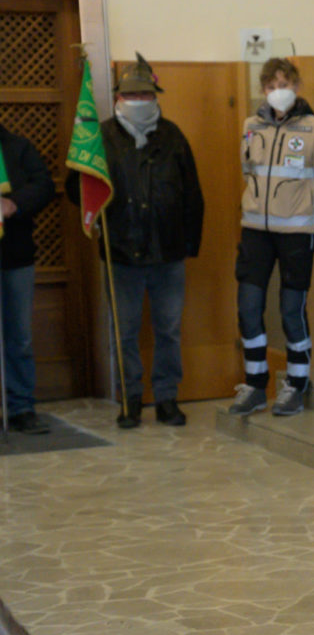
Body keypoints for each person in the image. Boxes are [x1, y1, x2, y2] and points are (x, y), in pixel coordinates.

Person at [66, 54, 203, 428]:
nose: (138, 100)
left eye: (145, 94)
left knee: (168, 331)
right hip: (121, 252)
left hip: (168, 253)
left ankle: (167, 399)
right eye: (131, 95)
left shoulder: (173, 136)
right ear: (118, 98)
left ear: (155, 96)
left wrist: (190, 244)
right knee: (124, 332)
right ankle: (130, 399)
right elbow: (78, 190)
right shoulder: (100, 137)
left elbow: (192, 194)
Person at [229, 58, 314, 417]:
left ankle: (296, 383)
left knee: (291, 310)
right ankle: (255, 384)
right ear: (263, 89)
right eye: (271, 85)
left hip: (296, 232)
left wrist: (306, 212)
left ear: (295, 86)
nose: (278, 91)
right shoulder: (251, 126)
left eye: (284, 84)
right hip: (255, 231)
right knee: (248, 306)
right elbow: (249, 171)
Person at [0, 124, 55, 434]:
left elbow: (44, 186)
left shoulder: (18, 146)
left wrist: (14, 203)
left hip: (15, 256)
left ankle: (20, 407)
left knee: (18, 337)